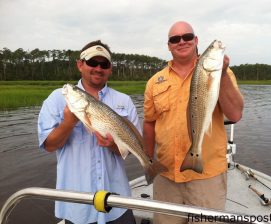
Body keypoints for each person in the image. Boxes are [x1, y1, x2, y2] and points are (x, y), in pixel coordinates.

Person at [143, 21, 244, 224]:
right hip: (167, 177)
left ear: (196, 40)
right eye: (175, 39)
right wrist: (149, 161)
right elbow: (149, 123)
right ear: (169, 45)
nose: (181, 42)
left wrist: (222, 73)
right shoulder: (155, 82)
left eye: (187, 37)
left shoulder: (221, 73)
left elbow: (235, 115)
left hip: (207, 177)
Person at [38, 40, 140, 224]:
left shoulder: (124, 101)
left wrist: (114, 146)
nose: (98, 68)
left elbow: (130, 150)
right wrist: (68, 123)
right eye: (92, 62)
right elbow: (49, 145)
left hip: (117, 202)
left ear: (110, 69)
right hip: (78, 205)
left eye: (104, 64)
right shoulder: (57, 99)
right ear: (80, 64)